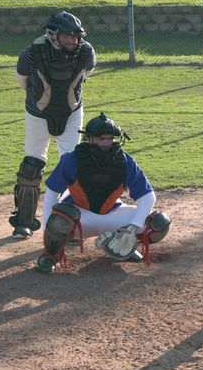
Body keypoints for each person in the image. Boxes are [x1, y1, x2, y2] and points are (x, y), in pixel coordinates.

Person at [35, 112, 171, 274]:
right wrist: (47, 228)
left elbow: (148, 196)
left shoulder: (125, 161)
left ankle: (123, 246)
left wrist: (132, 229)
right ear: (90, 138)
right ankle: (51, 254)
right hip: (79, 219)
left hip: (112, 215)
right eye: (101, 138)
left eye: (110, 138)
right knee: (59, 218)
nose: (107, 143)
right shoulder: (72, 159)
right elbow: (53, 191)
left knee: (157, 222)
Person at [9, 11, 97, 239]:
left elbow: (86, 74)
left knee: (71, 163)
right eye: (66, 36)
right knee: (32, 163)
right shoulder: (32, 52)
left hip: (71, 113)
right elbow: (22, 78)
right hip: (37, 113)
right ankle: (24, 221)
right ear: (53, 35)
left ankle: (68, 222)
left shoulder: (86, 52)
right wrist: (42, 99)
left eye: (75, 36)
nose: (72, 40)